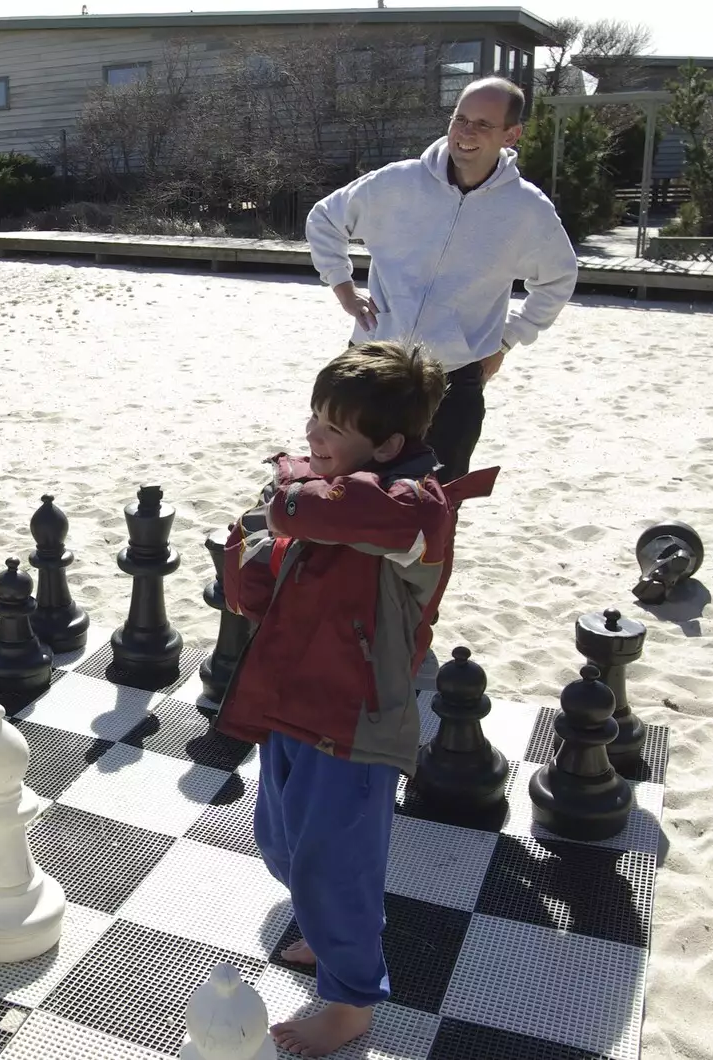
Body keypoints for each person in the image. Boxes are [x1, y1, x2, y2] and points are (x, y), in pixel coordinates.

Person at [214, 342, 497, 1057]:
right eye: (313, 419)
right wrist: (250, 547)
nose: (313, 438)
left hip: (354, 721)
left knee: (337, 865)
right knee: (281, 844)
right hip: (289, 704)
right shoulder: (324, 499)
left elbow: (349, 514)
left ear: (391, 444)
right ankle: (326, 926)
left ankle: (351, 1005)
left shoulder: (415, 509)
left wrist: (283, 498)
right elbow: (261, 587)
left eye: (333, 430)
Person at [305, 76, 578, 482]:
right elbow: (325, 218)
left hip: (455, 379)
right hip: (372, 365)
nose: (466, 132)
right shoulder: (398, 181)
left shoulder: (527, 209)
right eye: (460, 118)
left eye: (483, 124)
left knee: (436, 501)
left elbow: (558, 279)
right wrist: (344, 288)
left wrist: (509, 338)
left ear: (511, 134)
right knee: (343, 490)